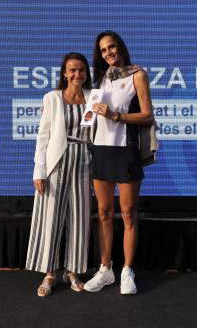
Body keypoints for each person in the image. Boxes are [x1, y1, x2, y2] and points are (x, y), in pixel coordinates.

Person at [84, 31, 154, 295]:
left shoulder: (138, 75)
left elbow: (147, 115)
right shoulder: (100, 79)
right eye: (103, 50)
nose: (108, 53)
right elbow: (86, 110)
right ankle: (106, 269)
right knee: (102, 213)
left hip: (126, 151)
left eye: (111, 47)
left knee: (127, 214)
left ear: (120, 47)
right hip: (100, 151)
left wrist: (117, 116)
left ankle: (127, 270)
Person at [26, 52, 93, 297]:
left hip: (84, 161)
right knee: (51, 219)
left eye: (82, 70)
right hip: (57, 162)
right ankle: (50, 272)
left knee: (80, 219)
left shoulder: (93, 97)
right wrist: (39, 171)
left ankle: (72, 271)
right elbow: (43, 137)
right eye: (73, 70)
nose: (77, 74)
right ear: (64, 73)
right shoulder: (52, 98)